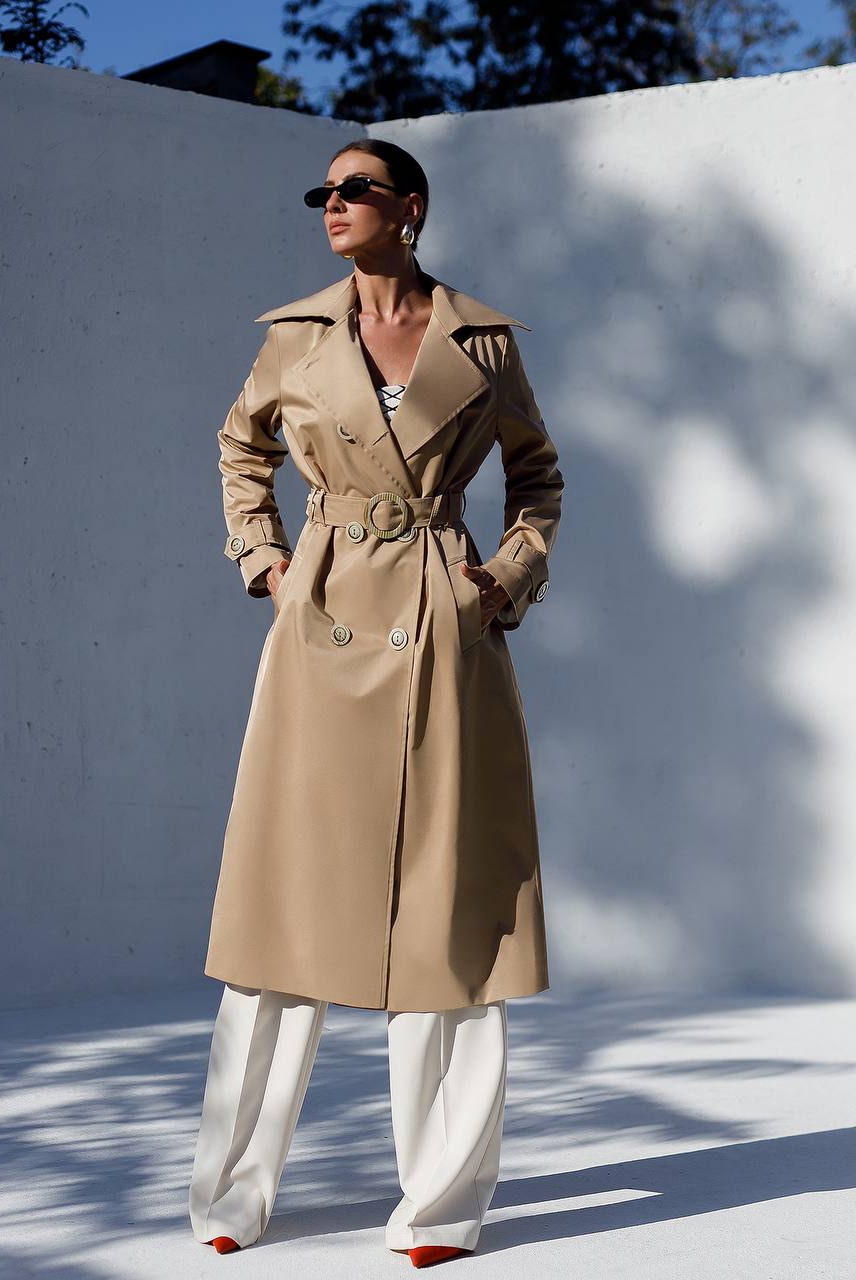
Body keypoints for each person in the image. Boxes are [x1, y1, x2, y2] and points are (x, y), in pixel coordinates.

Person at [189, 138, 564, 1267]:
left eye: (355, 190)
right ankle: (230, 1189)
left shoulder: (480, 340)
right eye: (323, 192)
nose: (332, 207)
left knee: (449, 918)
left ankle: (440, 1206)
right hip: (322, 623)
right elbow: (239, 449)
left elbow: (536, 474)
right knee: (280, 911)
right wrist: (262, 562)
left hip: (443, 631)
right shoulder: (294, 338)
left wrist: (502, 576)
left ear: (410, 208)